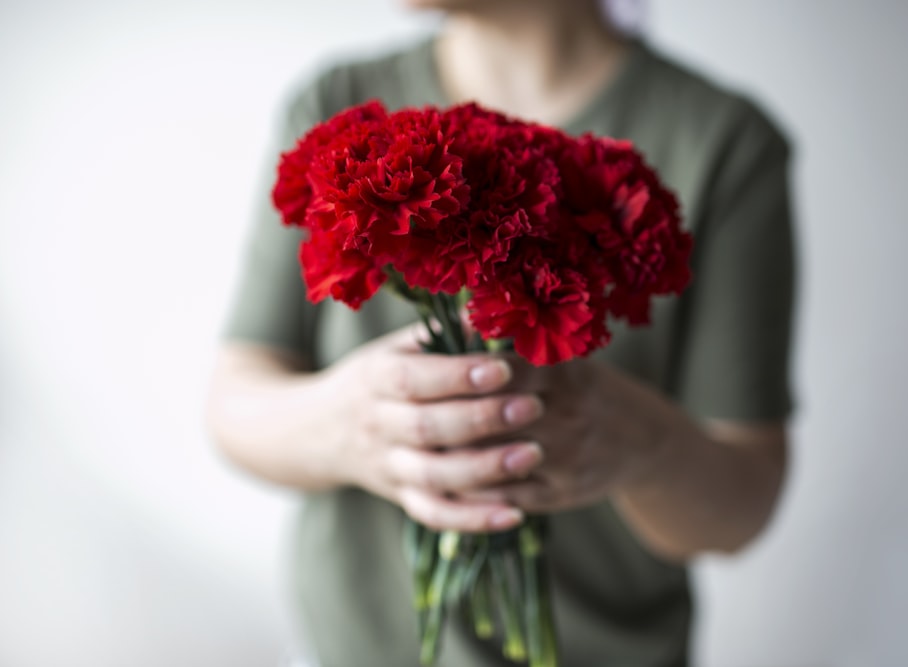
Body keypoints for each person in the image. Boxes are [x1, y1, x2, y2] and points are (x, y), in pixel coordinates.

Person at [207, 0, 796, 664]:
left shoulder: (722, 141)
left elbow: (745, 498)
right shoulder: (339, 104)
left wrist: (637, 439)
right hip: (354, 648)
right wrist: (352, 423)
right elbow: (233, 401)